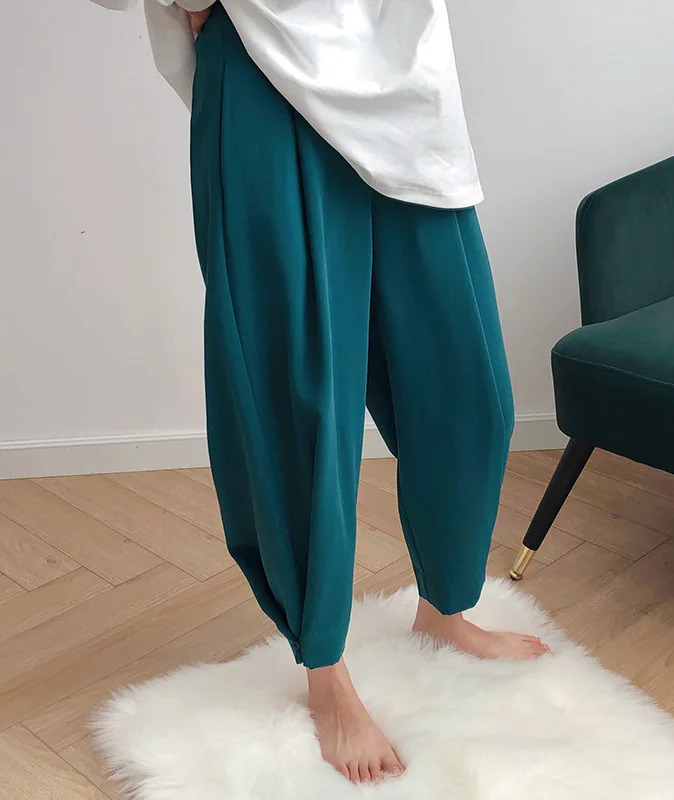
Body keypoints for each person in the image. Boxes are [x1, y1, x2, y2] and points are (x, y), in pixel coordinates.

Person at [88, 0, 550, 784]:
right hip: (262, 70)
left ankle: (444, 611)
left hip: (400, 69)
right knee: (296, 395)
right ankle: (326, 674)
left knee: (468, 388)